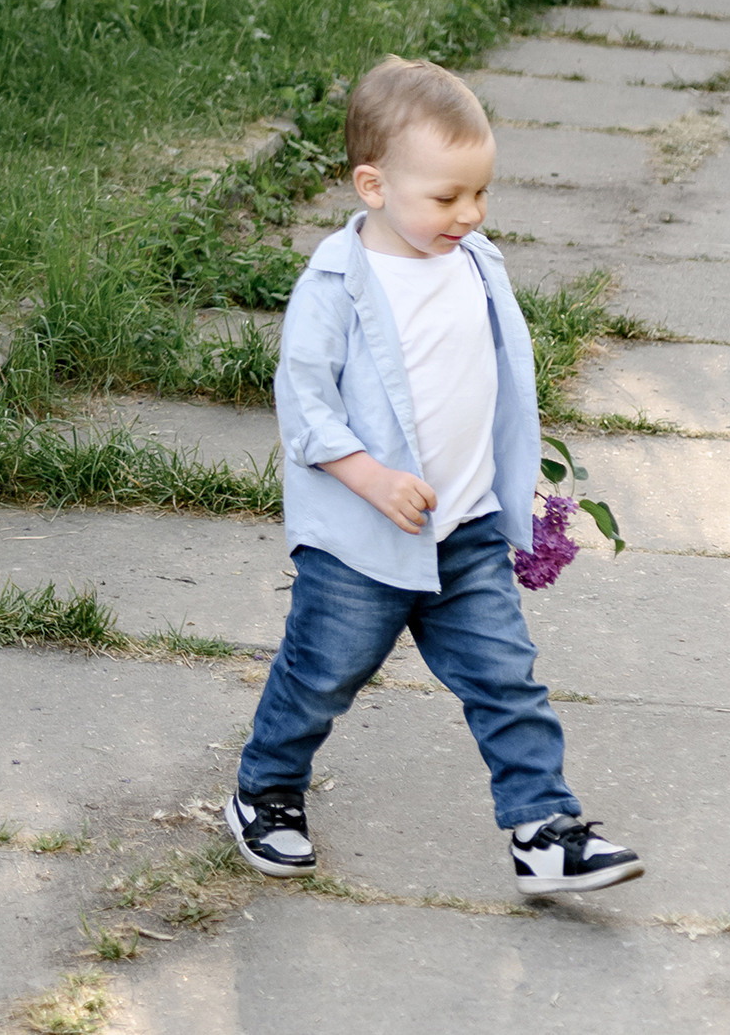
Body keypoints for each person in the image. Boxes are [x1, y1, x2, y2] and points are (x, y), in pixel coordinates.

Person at [224, 57, 642, 900]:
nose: (470, 213)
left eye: (480, 193)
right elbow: (305, 408)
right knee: (321, 674)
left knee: (507, 680)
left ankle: (545, 831)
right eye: (447, 196)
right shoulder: (336, 286)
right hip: (361, 540)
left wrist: (503, 476)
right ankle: (265, 789)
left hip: (465, 527)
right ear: (372, 185)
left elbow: (484, 383)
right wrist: (371, 477)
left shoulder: (476, 263)